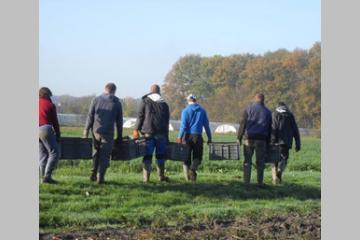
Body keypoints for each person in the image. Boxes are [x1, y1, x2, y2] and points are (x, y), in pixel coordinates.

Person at [83, 83, 123, 184]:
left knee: (96, 152)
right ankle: (100, 177)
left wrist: (86, 131)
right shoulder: (117, 102)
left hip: (96, 130)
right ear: (114, 91)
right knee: (105, 155)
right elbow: (119, 121)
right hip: (108, 132)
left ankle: (93, 172)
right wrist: (120, 136)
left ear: (105, 89)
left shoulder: (96, 99)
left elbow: (90, 116)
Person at [133, 84, 170, 183]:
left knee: (147, 156)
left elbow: (140, 116)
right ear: (159, 92)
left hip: (148, 134)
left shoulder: (145, 101)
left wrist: (136, 129)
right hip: (161, 134)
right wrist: (167, 136)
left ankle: (146, 179)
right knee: (160, 156)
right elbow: (167, 121)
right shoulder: (164, 104)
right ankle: (161, 177)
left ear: (150, 91)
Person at [237, 93, 272, 187]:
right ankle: (259, 183)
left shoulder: (248, 109)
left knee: (247, 161)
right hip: (261, 139)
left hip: (249, 138)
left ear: (255, 99)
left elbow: (242, 123)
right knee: (260, 162)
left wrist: (239, 137)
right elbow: (269, 129)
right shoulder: (268, 112)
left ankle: (246, 182)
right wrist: (268, 142)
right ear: (263, 100)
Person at [176, 94, 212, 182]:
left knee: (185, 158)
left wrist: (179, 137)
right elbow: (206, 126)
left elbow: (183, 126)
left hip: (187, 136)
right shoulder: (202, 111)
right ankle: (193, 169)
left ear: (188, 100)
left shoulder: (185, 111)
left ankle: (187, 179)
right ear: (195, 100)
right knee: (198, 157)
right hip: (198, 137)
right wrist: (209, 137)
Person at [270, 102, 301, 184]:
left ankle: (274, 179)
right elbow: (295, 130)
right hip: (286, 143)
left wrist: (272, 141)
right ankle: (280, 170)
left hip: (276, 141)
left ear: (278, 106)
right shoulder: (290, 115)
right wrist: (298, 144)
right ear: (285, 106)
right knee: (284, 159)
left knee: (274, 160)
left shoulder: (275, 114)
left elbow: (274, 127)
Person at [39, 87, 61, 184]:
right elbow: (55, 121)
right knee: (54, 153)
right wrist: (58, 134)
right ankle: (47, 177)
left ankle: (43, 178)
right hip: (45, 128)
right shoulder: (50, 105)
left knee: (43, 155)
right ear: (47, 95)